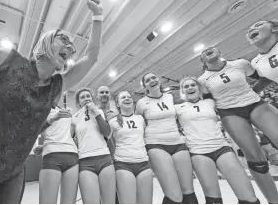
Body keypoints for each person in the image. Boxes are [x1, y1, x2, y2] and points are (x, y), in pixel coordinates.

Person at [0, 0, 104, 203]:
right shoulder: (5, 59)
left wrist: (98, 16)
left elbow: (92, 56)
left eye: (72, 47)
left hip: (13, 174)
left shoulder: (56, 87)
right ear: (47, 41)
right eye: (64, 40)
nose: (70, 48)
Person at [198, 46, 278, 203]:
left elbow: (265, 77)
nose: (208, 49)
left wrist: (253, 92)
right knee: (255, 159)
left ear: (220, 52)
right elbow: (209, 102)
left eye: (212, 47)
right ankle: (274, 201)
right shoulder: (202, 80)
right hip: (230, 113)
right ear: (202, 60)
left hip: (255, 104)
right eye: (204, 51)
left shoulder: (240, 64)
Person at [176, 77, 258, 204]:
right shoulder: (178, 108)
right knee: (213, 200)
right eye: (186, 87)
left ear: (199, 88)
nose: (190, 88)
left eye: (193, 85)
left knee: (249, 198)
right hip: (198, 152)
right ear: (182, 91)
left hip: (222, 148)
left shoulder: (211, 102)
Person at [136, 72, 197, 204]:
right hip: (155, 144)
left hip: (177, 142)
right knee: (175, 195)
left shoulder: (169, 97)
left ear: (158, 80)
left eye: (154, 77)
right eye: (148, 80)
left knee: (188, 192)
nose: (152, 80)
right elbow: (138, 124)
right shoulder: (141, 103)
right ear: (145, 86)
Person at [71, 88, 115, 204]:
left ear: (92, 98)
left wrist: (96, 113)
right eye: (83, 97)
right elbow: (69, 140)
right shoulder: (74, 118)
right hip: (85, 162)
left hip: (104, 158)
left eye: (88, 96)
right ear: (78, 102)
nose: (86, 98)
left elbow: (108, 133)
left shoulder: (99, 111)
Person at [109, 91, 153, 204]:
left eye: (129, 97)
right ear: (118, 104)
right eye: (123, 97)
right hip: (123, 164)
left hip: (144, 163)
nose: (127, 98)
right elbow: (106, 142)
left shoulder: (141, 119)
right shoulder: (112, 122)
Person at [35, 105, 79, 204]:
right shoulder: (41, 109)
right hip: (52, 155)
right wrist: (53, 118)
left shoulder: (67, 111)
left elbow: (69, 134)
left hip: (72, 155)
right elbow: (34, 131)